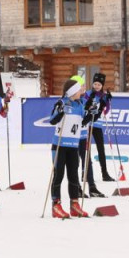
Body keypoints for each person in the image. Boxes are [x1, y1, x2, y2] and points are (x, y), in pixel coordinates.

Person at [48, 78, 92, 218]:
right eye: (79, 89)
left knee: (73, 175)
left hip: (73, 145)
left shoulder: (81, 104)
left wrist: (92, 113)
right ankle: (56, 205)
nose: (81, 91)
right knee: (58, 175)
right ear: (72, 92)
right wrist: (61, 112)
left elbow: (85, 121)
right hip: (60, 145)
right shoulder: (62, 102)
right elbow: (52, 120)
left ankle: (74, 204)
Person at [81, 72, 116, 183]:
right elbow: (83, 107)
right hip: (87, 124)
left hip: (98, 125)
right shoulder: (87, 94)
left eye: (99, 85)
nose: (96, 86)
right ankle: (85, 174)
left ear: (102, 86)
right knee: (86, 150)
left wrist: (108, 101)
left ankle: (104, 174)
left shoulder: (103, 96)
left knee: (101, 149)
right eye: (95, 84)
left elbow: (106, 111)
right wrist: (89, 105)